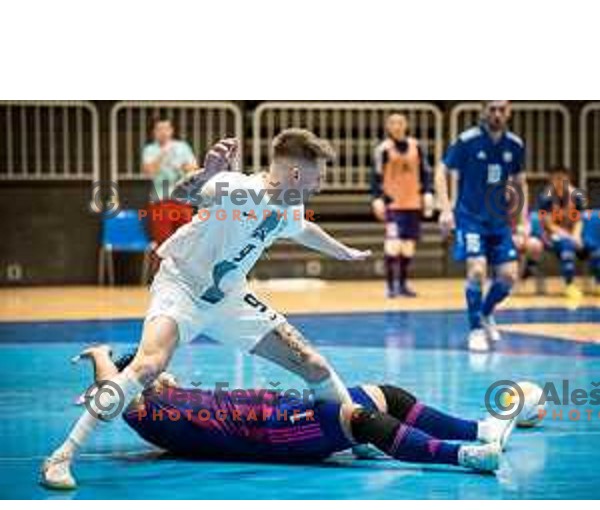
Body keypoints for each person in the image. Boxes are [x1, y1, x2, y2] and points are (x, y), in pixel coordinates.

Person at [42, 129, 371, 490]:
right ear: (296, 174)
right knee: (149, 365)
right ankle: (61, 456)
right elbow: (181, 194)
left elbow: (302, 227)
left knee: (313, 364)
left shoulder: (290, 201)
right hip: (182, 286)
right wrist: (206, 173)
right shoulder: (237, 188)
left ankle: (354, 437)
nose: (321, 184)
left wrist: (341, 251)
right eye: (319, 176)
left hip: (229, 297)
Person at [46, 345, 521, 491]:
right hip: (271, 432)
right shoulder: (148, 413)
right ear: (140, 381)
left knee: (387, 395)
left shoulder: (171, 395)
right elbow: (112, 389)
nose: (166, 374)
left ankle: (481, 429)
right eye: (154, 372)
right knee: (361, 419)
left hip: (282, 408)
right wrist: (101, 356)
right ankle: (465, 456)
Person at [436, 101, 529, 352]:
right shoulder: (468, 141)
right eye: (492, 108)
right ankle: (475, 328)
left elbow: (520, 184)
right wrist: (445, 209)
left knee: (509, 277)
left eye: (502, 109)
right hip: (470, 218)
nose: (497, 113)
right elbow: (440, 171)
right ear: (484, 111)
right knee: (477, 271)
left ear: (509, 112)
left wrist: (523, 222)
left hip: (499, 222)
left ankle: (486, 313)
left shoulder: (515, 145)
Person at [371, 113, 434, 297]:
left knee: (408, 247)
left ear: (406, 125)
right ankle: (390, 287)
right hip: (393, 205)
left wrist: (428, 192)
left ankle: (404, 285)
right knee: (393, 245)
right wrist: (377, 198)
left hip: (412, 203)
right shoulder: (383, 149)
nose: (397, 126)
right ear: (388, 127)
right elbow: (375, 176)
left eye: (400, 123)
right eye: (393, 123)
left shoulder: (416, 146)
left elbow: (425, 172)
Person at [536, 165, 599, 305]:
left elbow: (579, 220)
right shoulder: (545, 197)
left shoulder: (576, 195)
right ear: (550, 180)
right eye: (556, 178)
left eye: (562, 178)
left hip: (573, 234)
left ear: (568, 178)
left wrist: (576, 236)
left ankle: (598, 283)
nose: (559, 181)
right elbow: (548, 225)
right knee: (567, 246)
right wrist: (569, 237)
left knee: (594, 248)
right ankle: (569, 286)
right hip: (552, 235)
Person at [142, 119, 198, 246]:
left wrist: (182, 167)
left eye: (166, 129)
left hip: (182, 199)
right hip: (160, 201)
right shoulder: (150, 149)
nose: (163, 132)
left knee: (187, 240)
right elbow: (150, 172)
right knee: (163, 243)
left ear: (172, 131)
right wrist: (163, 154)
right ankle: (163, 266)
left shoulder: (182, 147)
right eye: (159, 129)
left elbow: (194, 169)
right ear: (154, 132)